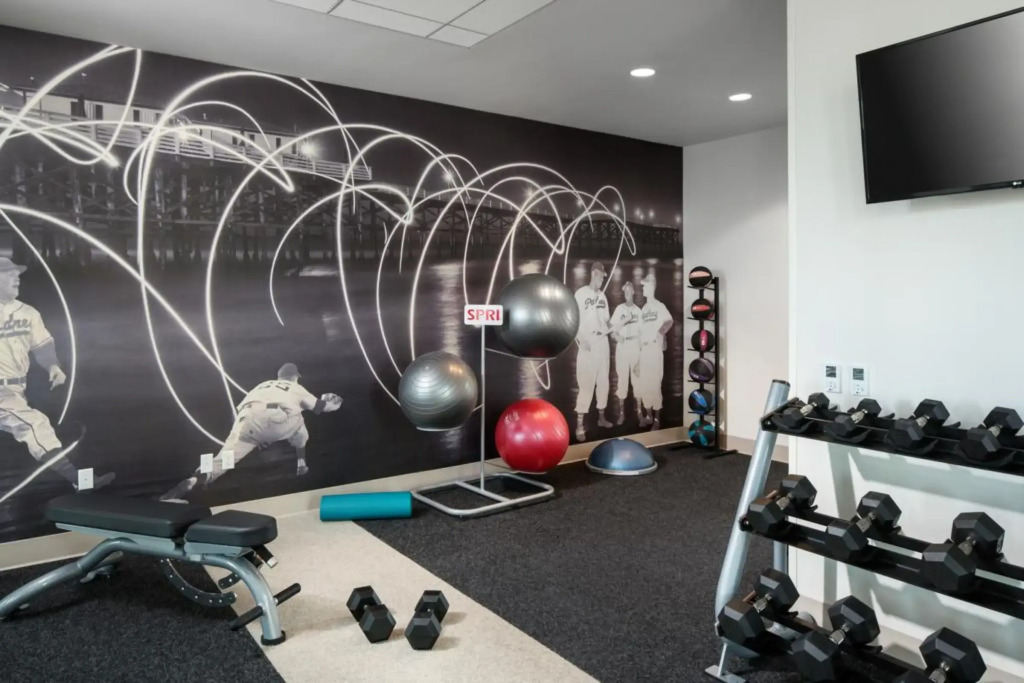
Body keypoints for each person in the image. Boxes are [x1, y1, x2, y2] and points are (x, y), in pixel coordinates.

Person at [0, 257, 113, 494]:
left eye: (17, 273)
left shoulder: (28, 313)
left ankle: (79, 481)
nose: (16, 278)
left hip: (15, 389)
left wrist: (53, 366)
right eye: (9, 273)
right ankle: (79, 480)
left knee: (32, 425)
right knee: (34, 424)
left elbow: (42, 345)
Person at [161, 362, 342, 501]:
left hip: (244, 419)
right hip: (275, 415)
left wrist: (260, 434)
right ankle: (301, 462)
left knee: (224, 460)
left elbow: (243, 414)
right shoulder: (296, 387)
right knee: (299, 422)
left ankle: (195, 480)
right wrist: (334, 401)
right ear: (295, 377)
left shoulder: (262, 385)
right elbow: (323, 408)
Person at [573, 262, 612, 441]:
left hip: (602, 342)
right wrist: (581, 339)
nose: (603, 278)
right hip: (588, 342)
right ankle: (580, 424)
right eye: (602, 275)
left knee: (603, 382)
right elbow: (573, 320)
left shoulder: (603, 296)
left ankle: (601, 417)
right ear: (595, 273)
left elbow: (607, 321)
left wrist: (618, 329)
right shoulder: (581, 294)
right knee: (586, 383)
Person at [636, 273, 674, 430]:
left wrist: (661, 333)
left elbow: (669, 321)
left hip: (654, 348)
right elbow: (640, 332)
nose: (643, 288)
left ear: (652, 286)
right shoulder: (643, 309)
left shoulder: (659, 306)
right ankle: (648, 416)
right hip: (644, 349)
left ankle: (657, 420)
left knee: (655, 384)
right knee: (645, 384)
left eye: (645, 286)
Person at [609, 280, 642, 426]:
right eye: (625, 292)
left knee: (637, 380)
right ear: (624, 293)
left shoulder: (639, 312)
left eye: (630, 291)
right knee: (622, 379)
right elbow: (611, 331)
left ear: (633, 292)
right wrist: (616, 337)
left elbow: (643, 334)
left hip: (635, 345)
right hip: (622, 346)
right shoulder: (619, 309)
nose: (627, 294)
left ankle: (639, 413)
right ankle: (621, 414)